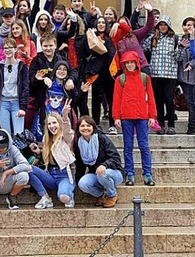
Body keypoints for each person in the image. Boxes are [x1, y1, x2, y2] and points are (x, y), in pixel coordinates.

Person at [112, 51, 157, 187]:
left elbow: (151, 97)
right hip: (126, 117)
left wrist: (152, 116)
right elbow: (116, 99)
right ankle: (129, 173)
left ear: (137, 63)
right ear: (124, 65)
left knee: (144, 146)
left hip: (142, 116)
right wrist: (116, 117)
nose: (130, 65)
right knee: (128, 147)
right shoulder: (121, 79)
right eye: (127, 63)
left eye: (132, 62)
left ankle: (147, 173)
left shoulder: (145, 78)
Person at [27, 102, 77, 209]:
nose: (52, 126)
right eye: (49, 124)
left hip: (65, 175)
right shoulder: (46, 138)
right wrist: (39, 152)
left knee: (64, 197)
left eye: (54, 123)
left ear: (59, 123)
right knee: (27, 169)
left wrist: (64, 116)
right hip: (50, 175)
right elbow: (48, 158)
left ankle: (69, 195)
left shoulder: (66, 137)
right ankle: (45, 197)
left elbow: (67, 130)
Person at [75, 115, 124, 208]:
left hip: (113, 172)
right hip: (95, 174)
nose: (85, 128)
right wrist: (76, 181)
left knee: (102, 173)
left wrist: (104, 165)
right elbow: (80, 165)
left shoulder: (102, 138)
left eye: (88, 126)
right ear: (78, 128)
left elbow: (116, 158)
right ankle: (101, 195)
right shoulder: (79, 143)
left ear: (93, 127)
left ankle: (112, 195)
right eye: (82, 126)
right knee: (82, 183)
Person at [142, 15, 179, 134]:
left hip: (170, 75)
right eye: (161, 25)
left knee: (169, 100)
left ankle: (171, 124)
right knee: (158, 101)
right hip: (155, 74)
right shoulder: (153, 38)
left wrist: (182, 47)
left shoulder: (175, 39)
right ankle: (161, 124)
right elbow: (143, 47)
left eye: (165, 25)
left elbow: (178, 57)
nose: (163, 27)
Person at [0, 38, 29, 136]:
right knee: (6, 134)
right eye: (5, 48)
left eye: (10, 47)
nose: (8, 50)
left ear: (15, 49)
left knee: (19, 133)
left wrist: (23, 107)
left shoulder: (21, 65)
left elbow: (25, 87)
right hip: (3, 103)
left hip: (17, 102)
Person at [175, 17, 195, 135]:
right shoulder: (179, 40)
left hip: (190, 76)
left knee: (190, 101)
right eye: (186, 25)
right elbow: (176, 56)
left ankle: (192, 127)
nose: (188, 27)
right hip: (177, 74)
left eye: (190, 25)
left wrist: (191, 64)